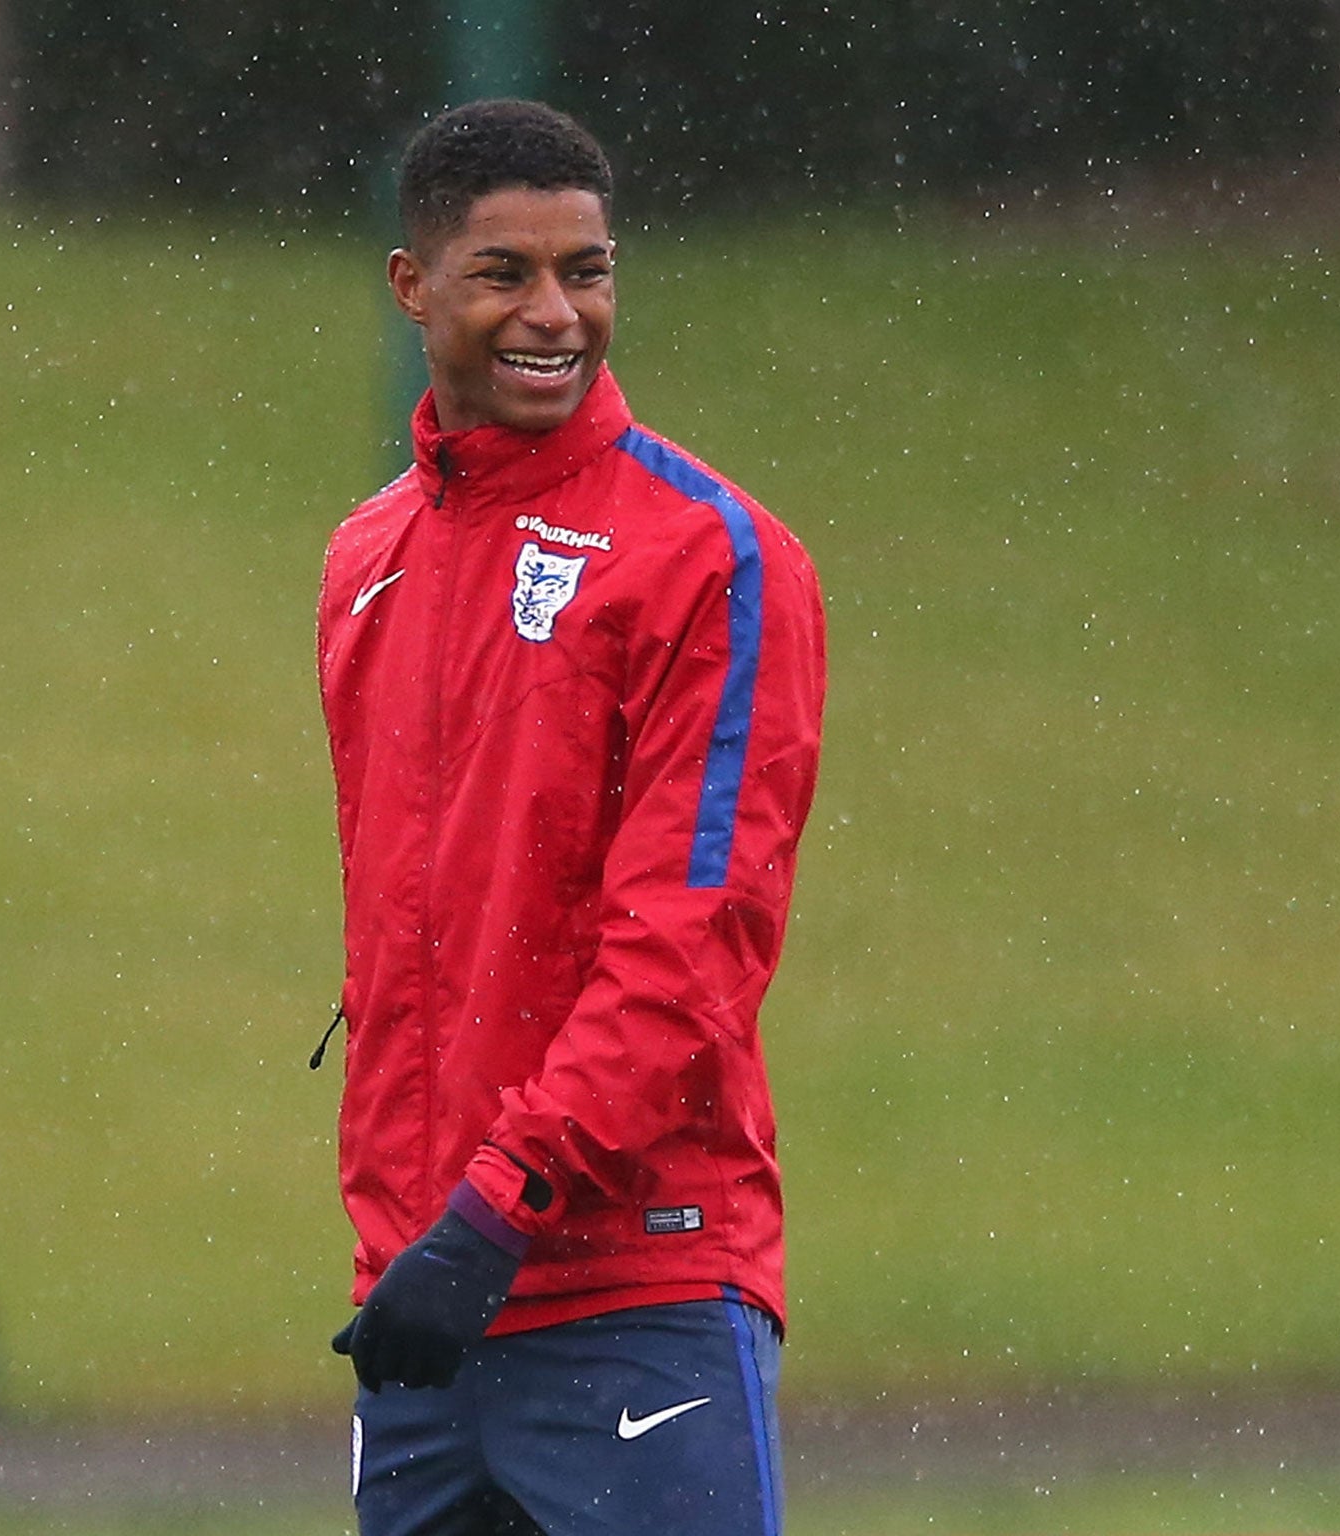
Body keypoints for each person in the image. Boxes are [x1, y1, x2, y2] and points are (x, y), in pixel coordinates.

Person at [315, 98, 827, 1536]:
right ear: (413, 287)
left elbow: (693, 943)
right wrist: (419, 1236)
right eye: (505, 274)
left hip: (635, 1289)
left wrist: (500, 1203)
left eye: (586, 270)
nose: (555, 313)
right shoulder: (368, 559)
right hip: (423, 1299)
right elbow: (411, 944)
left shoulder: (710, 554)